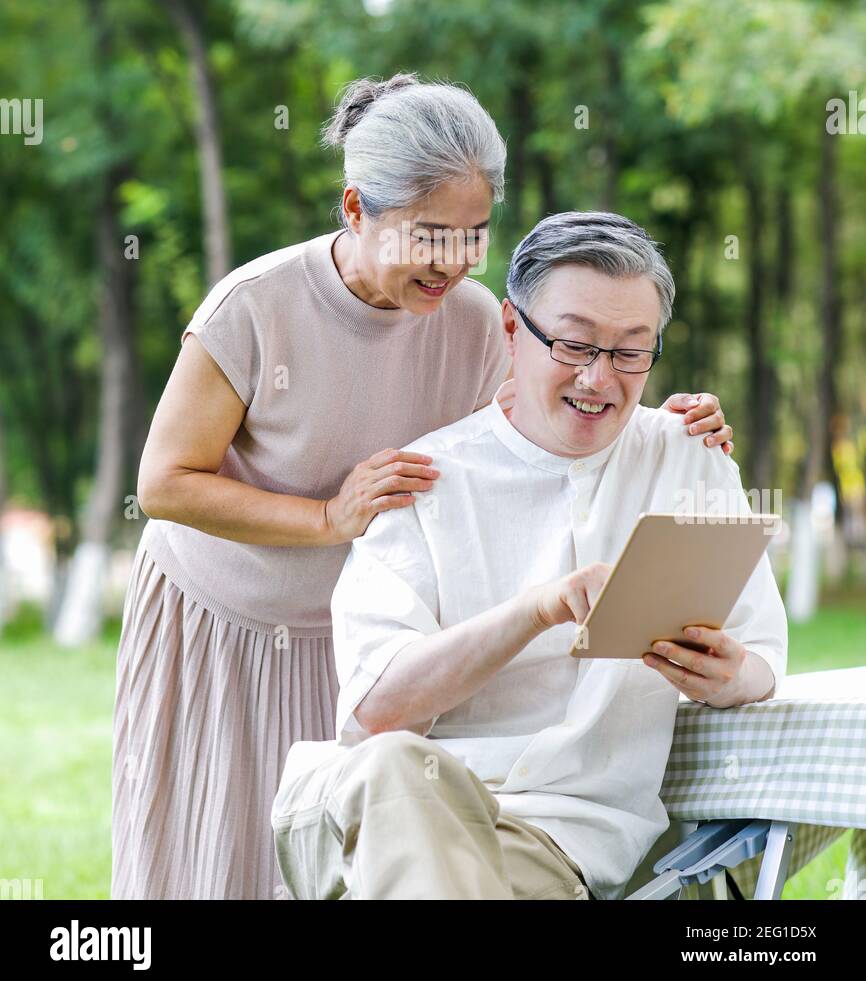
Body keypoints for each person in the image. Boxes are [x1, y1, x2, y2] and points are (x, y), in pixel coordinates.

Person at [112, 77, 733, 900]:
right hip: (226, 623)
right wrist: (331, 516)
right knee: (210, 864)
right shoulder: (255, 308)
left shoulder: (476, 320)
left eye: (473, 234)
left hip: (365, 646)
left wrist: (675, 420)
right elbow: (163, 483)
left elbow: (544, 419)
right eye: (429, 235)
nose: (454, 260)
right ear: (355, 208)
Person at [271, 211, 787, 902]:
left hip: (553, 842)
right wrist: (537, 610)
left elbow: (762, 662)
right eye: (575, 345)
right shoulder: (425, 481)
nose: (600, 379)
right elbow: (374, 713)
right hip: (392, 806)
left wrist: (723, 676)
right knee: (394, 764)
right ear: (512, 329)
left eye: (632, 351)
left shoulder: (685, 457)